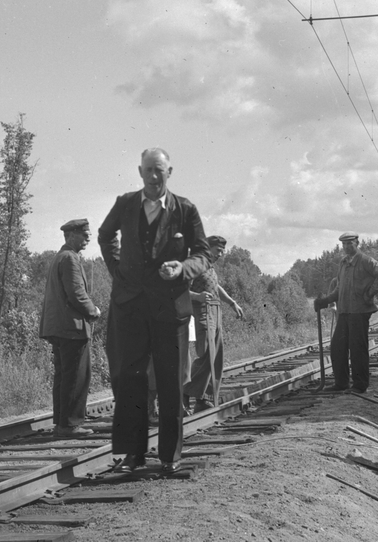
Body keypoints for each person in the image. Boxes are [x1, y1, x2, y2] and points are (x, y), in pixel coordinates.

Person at [99, 147, 216, 474]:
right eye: (148, 170)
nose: (153, 177)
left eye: (159, 171)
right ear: (140, 172)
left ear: (169, 173)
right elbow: (105, 235)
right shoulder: (125, 204)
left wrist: (182, 268)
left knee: (170, 382)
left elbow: (203, 253)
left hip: (170, 307)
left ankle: (169, 457)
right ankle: (132, 456)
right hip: (131, 307)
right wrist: (118, 270)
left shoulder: (185, 209)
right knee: (130, 380)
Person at [38, 218, 102, 437]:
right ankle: (70, 425)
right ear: (71, 235)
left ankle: (62, 423)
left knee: (64, 376)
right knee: (76, 377)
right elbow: (76, 294)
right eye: (85, 235)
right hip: (72, 328)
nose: (88, 239)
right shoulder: (70, 259)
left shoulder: (61, 257)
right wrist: (94, 311)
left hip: (59, 327)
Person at [312, 232, 378, 393]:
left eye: (350, 243)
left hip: (359, 311)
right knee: (338, 347)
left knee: (357, 348)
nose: (347, 247)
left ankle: (360, 385)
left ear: (357, 243)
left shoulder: (366, 261)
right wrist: (325, 301)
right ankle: (341, 383)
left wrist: (370, 292)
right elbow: (339, 288)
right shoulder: (343, 263)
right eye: (344, 244)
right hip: (344, 311)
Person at [183, 235, 244, 413]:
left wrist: (232, 303)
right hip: (202, 310)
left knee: (216, 356)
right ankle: (184, 391)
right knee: (207, 354)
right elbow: (180, 290)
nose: (220, 254)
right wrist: (198, 297)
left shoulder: (209, 266)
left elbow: (215, 286)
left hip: (215, 310)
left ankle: (204, 399)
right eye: (218, 250)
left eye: (222, 251)